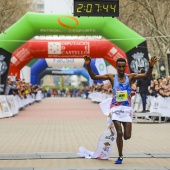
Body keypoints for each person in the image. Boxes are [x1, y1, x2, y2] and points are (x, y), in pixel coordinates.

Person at [84, 55, 157, 164]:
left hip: (126, 109)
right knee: (119, 131)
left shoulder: (130, 77)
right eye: (119, 67)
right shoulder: (112, 77)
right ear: (116, 67)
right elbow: (94, 77)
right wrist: (88, 65)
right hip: (115, 109)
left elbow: (146, 75)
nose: (121, 69)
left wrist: (150, 66)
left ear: (125, 66)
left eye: (123, 67)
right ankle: (120, 156)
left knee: (127, 136)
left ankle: (120, 139)